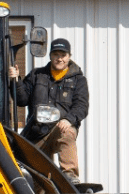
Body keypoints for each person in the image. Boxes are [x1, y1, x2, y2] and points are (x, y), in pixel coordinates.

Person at [9, 38, 89, 183]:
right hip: (36, 133)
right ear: (50, 56)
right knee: (40, 180)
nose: (59, 58)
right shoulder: (36, 75)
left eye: (63, 55)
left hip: (59, 128)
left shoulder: (79, 80)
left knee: (67, 131)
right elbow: (22, 100)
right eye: (56, 54)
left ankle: (70, 175)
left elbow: (81, 106)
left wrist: (68, 119)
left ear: (69, 56)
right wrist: (16, 81)